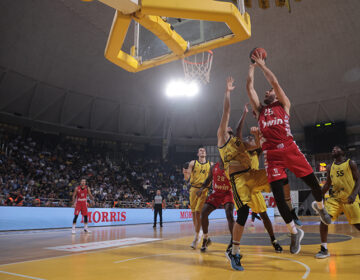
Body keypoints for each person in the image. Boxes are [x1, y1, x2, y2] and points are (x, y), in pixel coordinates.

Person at [246, 51, 331, 252]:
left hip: (290, 149)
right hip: (272, 156)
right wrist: (251, 66)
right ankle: (294, 232)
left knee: (313, 183)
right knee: (278, 198)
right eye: (266, 92)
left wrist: (262, 65)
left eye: (269, 91)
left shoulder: (284, 104)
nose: (267, 93)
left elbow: (274, 82)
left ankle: (320, 207)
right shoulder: (260, 111)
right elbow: (249, 87)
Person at [217, 77, 282, 271]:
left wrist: (255, 136)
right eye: (228, 127)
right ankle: (234, 252)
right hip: (239, 180)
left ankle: (291, 215)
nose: (228, 128)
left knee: (278, 175)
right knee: (244, 212)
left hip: (252, 174)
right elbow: (226, 112)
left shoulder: (240, 144)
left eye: (230, 128)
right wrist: (227, 92)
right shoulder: (222, 137)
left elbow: (258, 145)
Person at [314, 145, 360, 258]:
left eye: (337, 148)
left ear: (342, 151)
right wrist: (318, 195)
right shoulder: (330, 167)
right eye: (333, 149)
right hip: (335, 198)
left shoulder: (350, 163)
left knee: (357, 224)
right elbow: (328, 184)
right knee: (324, 220)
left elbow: (358, 179)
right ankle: (324, 249)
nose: (334, 149)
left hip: (349, 198)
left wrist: (354, 194)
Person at [196, 159, 235, 253]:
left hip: (228, 193)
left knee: (229, 214)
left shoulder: (231, 167)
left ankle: (234, 242)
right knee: (204, 213)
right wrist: (201, 188)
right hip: (216, 194)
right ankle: (206, 239)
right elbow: (208, 179)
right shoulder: (213, 167)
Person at [183, 147, 213, 249]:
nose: (202, 151)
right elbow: (187, 178)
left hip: (203, 189)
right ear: (197, 153)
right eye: (200, 150)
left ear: (206, 153)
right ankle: (198, 233)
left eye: (204, 150)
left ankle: (196, 237)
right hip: (193, 189)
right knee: (193, 214)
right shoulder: (192, 163)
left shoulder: (211, 165)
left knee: (198, 212)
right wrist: (185, 174)